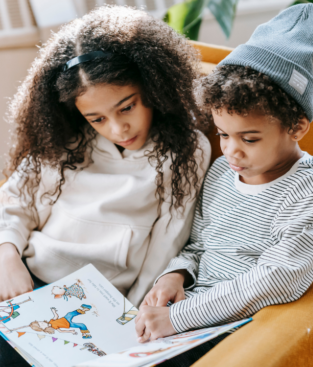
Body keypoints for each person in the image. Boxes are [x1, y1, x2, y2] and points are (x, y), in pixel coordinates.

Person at [0, 5, 210, 366]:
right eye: (97, 118)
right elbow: (15, 202)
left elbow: (167, 241)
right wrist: (6, 257)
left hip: (100, 306)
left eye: (126, 107)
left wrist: (133, 317)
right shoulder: (66, 140)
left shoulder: (186, 150)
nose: (117, 129)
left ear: (151, 86)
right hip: (28, 282)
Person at [135, 4, 313, 366]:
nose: (231, 151)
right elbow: (201, 244)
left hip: (232, 330)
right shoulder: (220, 173)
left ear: (296, 127)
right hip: (189, 313)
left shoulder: (311, 192)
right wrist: (176, 274)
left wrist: (178, 318)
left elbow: (276, 280)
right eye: (223, 134)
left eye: (249, 139)